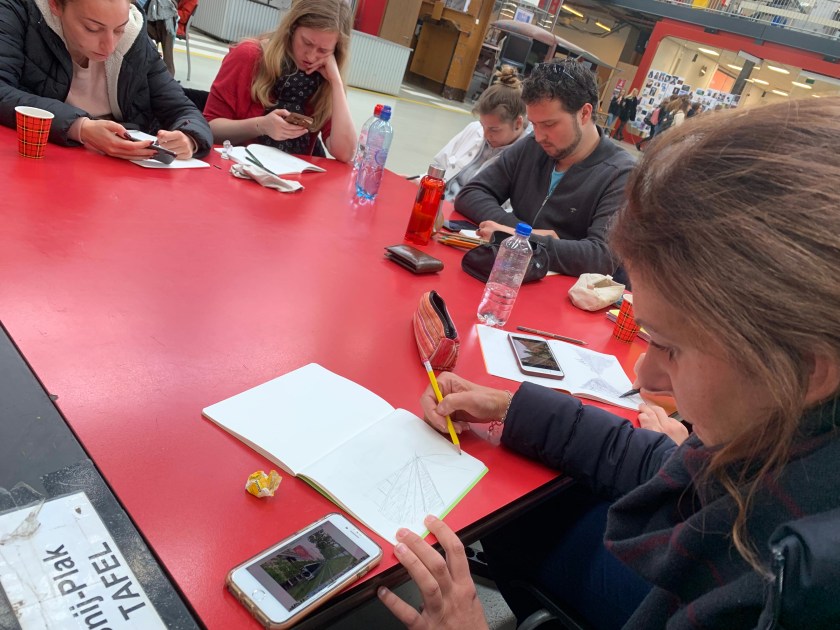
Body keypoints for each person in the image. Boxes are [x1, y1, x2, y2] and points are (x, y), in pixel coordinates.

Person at [377, 97, 840, 629]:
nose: (645, 376)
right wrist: (508, 407)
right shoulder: (783, 433)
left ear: (804, 370)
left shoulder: (798, 589)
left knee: (515, 524)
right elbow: (668, 463)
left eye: (670, 346)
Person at [453, 60, 636, 276]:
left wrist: (514, 236)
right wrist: (522, 233)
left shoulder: (620, 174)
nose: (539, 136)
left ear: (584, 114)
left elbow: (601, 257)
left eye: (549, 124)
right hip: (512, 275)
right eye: (534, 124)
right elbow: (471, 193)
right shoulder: (532, 146)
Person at [0, 0, 212, 160]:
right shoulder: (17, 13)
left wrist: (189, 138)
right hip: (37, 163)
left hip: (122, 184)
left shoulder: (134, 37)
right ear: (54, 5)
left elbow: (183, 109)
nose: (109, 46)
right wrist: (80, 127)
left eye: (119, 29)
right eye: (92, 28)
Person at [203, 0, 355, 162]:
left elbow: (345, 153)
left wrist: (336, 82)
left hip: (293, 173)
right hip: (236, 167)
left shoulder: (324, 78)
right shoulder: (249, 56)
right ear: (292, 29)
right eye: (306, 43)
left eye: (323, 51)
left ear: (335, 51)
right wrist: (260, 126)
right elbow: (210, 128)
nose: (311, 56)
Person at [432, 65, 529, 202]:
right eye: (483, 125)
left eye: (494, 129)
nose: (485, 134)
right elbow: (439, 166)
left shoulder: (526, 158)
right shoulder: (474, 129)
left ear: (518, 123)